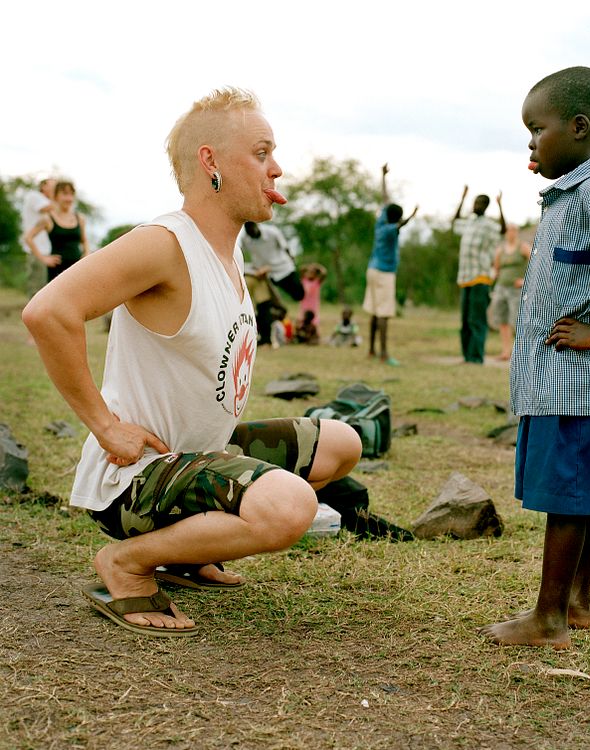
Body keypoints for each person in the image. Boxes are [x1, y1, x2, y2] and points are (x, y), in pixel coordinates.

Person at [22, 87, 362, 636]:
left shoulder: (228, 250)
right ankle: (128, 564)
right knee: (289, 506)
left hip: (200, 454)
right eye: (261, 153)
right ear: (211, 162)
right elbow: (49, 312)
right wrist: (105, 426)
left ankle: (186, 554)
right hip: (136, 478)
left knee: (342, 443)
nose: (277, 169)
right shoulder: (164, 243)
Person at [481, 66, 590, 649]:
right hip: (559, 382)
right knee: (579, 494)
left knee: (566, 495)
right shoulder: (564, 197)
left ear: (578, 128)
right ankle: (577, 602)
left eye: (538, 129)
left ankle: (549, 616)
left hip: (577, 383)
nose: (531, 142)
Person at [362, 163, 417, 366]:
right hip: (385, 273)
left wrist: (383, 176)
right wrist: (413, 215)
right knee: (384, 313)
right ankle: (384, 353)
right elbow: (402, 225)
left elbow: (385, 199)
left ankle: (371, 350)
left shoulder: (381, 221)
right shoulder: (391, 229)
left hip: (372, 269)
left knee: (375, 311)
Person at [452, 187, 506, 363]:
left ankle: (476, 357)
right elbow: (454, 223)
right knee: (466, 321)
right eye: (474, 202)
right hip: (465, 278)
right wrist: (461, 198)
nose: (476, 205)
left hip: (480, 277)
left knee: (477, 320)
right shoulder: (470, 222)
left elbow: (503, 231)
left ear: (486, 206)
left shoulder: (489, 225)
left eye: (480, 203)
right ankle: (467, 356)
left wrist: (500, 207)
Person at [239, 220, 303, 345]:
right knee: (267, 306)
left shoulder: (272, 232)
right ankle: (266, 332)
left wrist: (292, 262)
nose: (252, 235)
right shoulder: (245, 239)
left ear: (257, 226)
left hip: (282, 269)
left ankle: (277, 312)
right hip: (264, 275)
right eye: (249, 233)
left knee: (299, 294)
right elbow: (239, 254)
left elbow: (286, 248)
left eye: (253, 232)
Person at [24, 180, 91, 283]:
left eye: (71, 194)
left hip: (77, 269)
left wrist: (86, 254)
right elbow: (28, 238)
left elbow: (84, 240)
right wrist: (43, 258)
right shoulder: (48, 219)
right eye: (64, 194)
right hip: (56, 272)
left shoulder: (80, 218)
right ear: (55, 197)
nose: (69, 198)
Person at [488, 220, 532, 361]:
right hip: (501, 287)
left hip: (516, 289)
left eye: (513, 230)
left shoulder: (523, 247)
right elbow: (495, 269)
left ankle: (520, 352)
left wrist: (525, 280)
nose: (511, 233)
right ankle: (506, 351)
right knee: (502, 320)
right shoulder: (500, 249)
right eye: (509, 230)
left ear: (517, 232)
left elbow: (536, 263)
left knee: (516, 320)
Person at [21, 178, 56, 298]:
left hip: (42, 252)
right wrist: (57, 198)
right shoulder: (34, 196)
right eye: (53, 184)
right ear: (43, 186)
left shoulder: (43, 202)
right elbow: (48, 208)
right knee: (37, 293)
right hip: (36, 252)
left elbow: (49, 226)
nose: (56, 187)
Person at [298, 262, 327, 328]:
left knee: (314, 320)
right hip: (304, 304)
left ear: (315, 274)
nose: (310, 273)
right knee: (303, 319)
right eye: (308, 272)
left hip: (313, 305)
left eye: (312, 272)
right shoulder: (303, 280)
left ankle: (313, 333)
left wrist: (317, 266)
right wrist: (309, 267)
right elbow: (300, 269)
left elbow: (324, 272)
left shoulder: (317, 282)